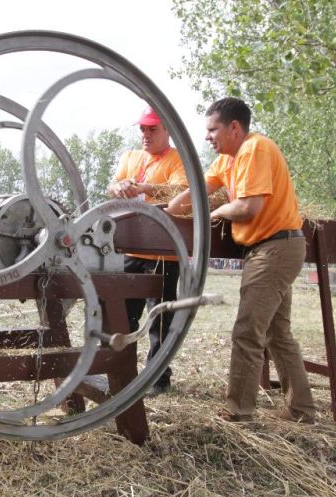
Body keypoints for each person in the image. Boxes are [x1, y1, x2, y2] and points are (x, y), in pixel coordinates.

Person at [168, 97, 315, 423]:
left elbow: (249, 207)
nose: (207, 137)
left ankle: (238, 411)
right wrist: (166, 210)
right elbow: (196, 191)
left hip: (274, 249)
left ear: (234, 127)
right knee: (278, 334)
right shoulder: (228, 160)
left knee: (247, 332)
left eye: (212, 129)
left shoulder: (255, 149)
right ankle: (301, 409)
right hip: (271, 249)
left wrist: (214, 212)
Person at [106, 107, 188, 396]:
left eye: (152, 129)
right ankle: (121, 374)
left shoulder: (178, 159)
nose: (146, 134)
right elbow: (112, 186)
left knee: (161, 319)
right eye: (143, 129)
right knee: (124, 314)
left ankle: (158, 378)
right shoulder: (131, 157)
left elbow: (180, 192)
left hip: (164, 251)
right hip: (132, 246)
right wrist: (119, 187)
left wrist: (142, 187)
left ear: (167, 130)